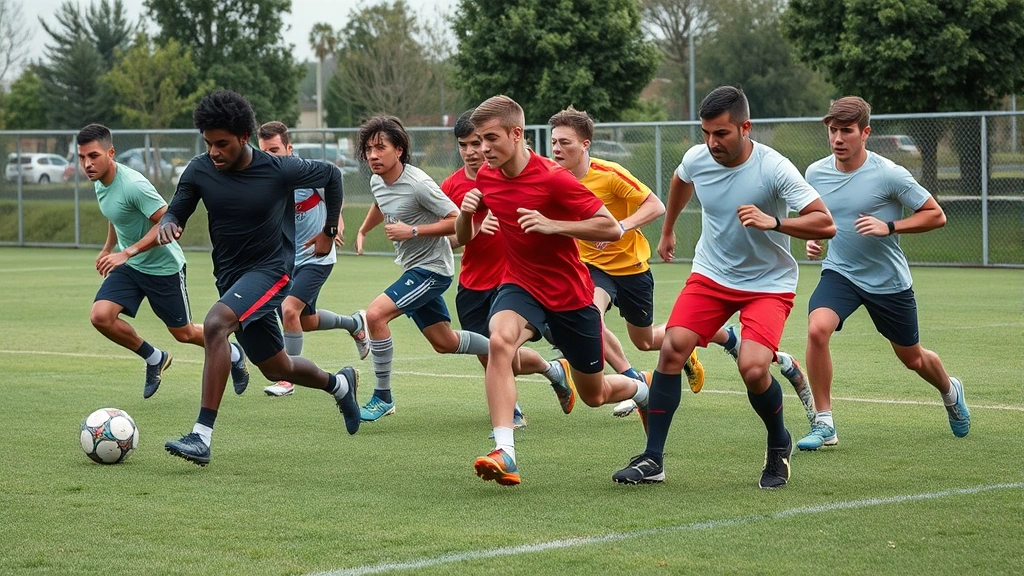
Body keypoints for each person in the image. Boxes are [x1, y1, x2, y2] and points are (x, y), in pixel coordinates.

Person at [611, 86, 835, 489]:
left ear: (745, 128)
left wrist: (775, 222)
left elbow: (825, 222)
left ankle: (777, 442)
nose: (712, 143)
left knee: (752, 368)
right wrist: (668, 229)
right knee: (672, 348)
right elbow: (681, 181)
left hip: (768, 284)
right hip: (711, 274)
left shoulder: (774, 168)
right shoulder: (699, 157)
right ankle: (653, 458)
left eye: (721, 134)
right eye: (706, 133)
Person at [158, 90, 361, 466]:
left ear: (244, 138)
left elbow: (332, 175)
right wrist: (170, 223)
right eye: (208, 143)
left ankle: (201, 436)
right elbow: (177, 211)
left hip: (270, 271)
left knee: (216, 324)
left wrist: (329, 229)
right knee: (276, 366)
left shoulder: (278, 168)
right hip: (231, 278)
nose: (214, 151)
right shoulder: (199, 170)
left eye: (222, 144)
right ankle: (340, 384)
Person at [456, 95, 650, 486]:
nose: (483, 149)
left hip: (570, 296)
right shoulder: (487, 179)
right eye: (478, 141)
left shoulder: (553, 178)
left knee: (594, 395)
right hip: (521, 284)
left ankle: (642, 388)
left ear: (517, 133)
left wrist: (554, 225)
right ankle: (505, 451)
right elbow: (462, 239)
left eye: (491, 139)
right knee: (499, 341)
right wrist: (465, 212)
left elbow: (610, 228)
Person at [796, 96, 970, 451]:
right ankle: (824, 423)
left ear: (865, 133)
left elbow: (935, 215)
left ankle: (950, 391)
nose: (838, 138)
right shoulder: (815, 172)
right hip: (841, 272)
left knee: (913, 358)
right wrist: (813, 239)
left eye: (846, 131)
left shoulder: (889, 173)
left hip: (887, 282)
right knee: (817, 329)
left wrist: (890, 226)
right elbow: (818, 217)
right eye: (832, 131)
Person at [80, 123, 249, 399]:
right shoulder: (100, 183)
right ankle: (154, 358)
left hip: (163, 268)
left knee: (183, 333)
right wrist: (108, 248)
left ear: (110, 153)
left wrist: (128, 251)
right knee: (101, 317)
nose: (87, 163)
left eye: (94, 156)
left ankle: (233, 352)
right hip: (131, 267)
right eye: (82, 157)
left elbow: (169, 224)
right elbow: (116, 216)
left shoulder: (134, 185)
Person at [352, 115, 500, 422]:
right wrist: (364, 230)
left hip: (433, 270)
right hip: (412, 269)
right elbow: (381, 203)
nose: (373, 156)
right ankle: (544, 365)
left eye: (380, 148)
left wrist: (414, 231)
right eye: (368, 149)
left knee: (375, 315)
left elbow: (455, 218)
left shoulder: (419, 184)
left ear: (400, 150)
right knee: (444, 343)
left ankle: (383, 396)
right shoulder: (376, 180)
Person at [441, 109, 577, 432]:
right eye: (464, 145)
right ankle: (553, 370)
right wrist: (470, 225)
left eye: (478, 143)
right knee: (499, 359)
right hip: (473, 283)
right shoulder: (451, 185)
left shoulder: (519, 174)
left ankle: (512, 413)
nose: (473, 152)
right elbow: (448, 238)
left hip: (513, 281)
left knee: (500, 352)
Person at [547, 106, 698, 390]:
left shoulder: (609, 174)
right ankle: (633, 379)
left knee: (645, 341)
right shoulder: (553, 177)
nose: (556, 148)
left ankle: (691, 342)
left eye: (564, 142)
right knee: (589, 313)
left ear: (584, 144)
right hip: (591, 266)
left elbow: (656, 205)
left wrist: (619, 227)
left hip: (631, 267)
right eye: (553, 141)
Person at [256, 121, 370, 397]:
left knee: (288, 310)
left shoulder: (304, 172)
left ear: (289, 148)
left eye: (275, 150)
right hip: (288, 260)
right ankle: (355, 323)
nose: (271, 157)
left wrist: (334, 223)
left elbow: (334, 188)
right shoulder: (266, 178)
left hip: (317, 257)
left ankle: (287, 376)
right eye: (265, 151)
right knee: (305, 321)